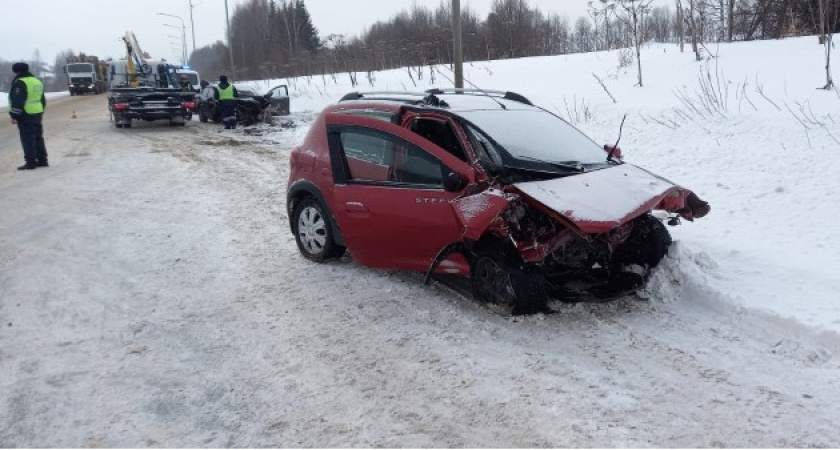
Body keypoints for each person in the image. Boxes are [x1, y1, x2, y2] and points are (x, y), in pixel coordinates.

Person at [8, 62, 48, 170]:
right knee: (38, 137)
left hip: (26, 114)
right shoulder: (36, 81)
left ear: (16, 71)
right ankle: (42, 160)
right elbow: (42, 99)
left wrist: (14, 115)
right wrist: (40, 111)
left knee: (27, 138)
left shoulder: (20, 83)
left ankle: (30, 162)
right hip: (37, 112)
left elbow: (18, 100)